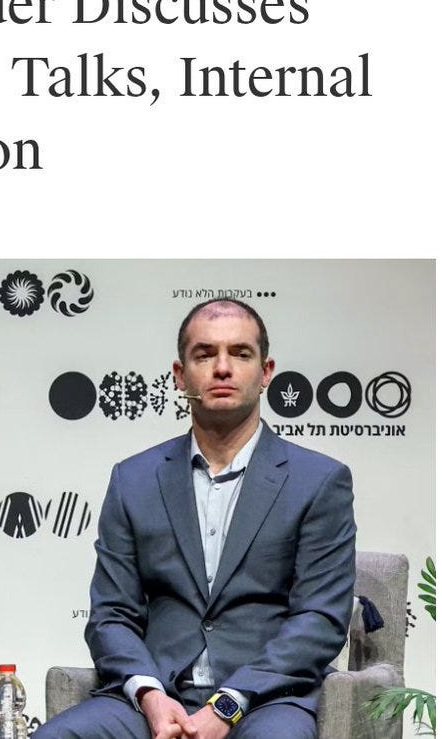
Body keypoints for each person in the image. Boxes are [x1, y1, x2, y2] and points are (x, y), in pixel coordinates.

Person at [36, 299, 356, 739]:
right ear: (180, 375)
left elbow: (319, 619)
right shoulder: (134, 479)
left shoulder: (318, 481)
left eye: (240, 353)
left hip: (264, 702)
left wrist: (228, 704)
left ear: (265, 372)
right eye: (204, 355)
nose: (222, 368)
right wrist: (149, 695)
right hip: (156, 699)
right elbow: (111, 615)